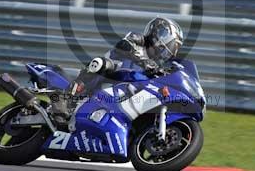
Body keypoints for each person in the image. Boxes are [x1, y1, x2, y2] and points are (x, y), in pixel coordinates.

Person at [50, 17, 184, 128]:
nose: (171, 50)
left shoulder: (156, 66)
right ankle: (65, 97)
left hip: (120, 90)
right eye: (172, 44)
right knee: (101, 64)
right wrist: (143, 61)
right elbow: (124, 45)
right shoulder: (138, 39)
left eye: (175, 47)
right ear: (160, 34)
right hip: (109, 75)